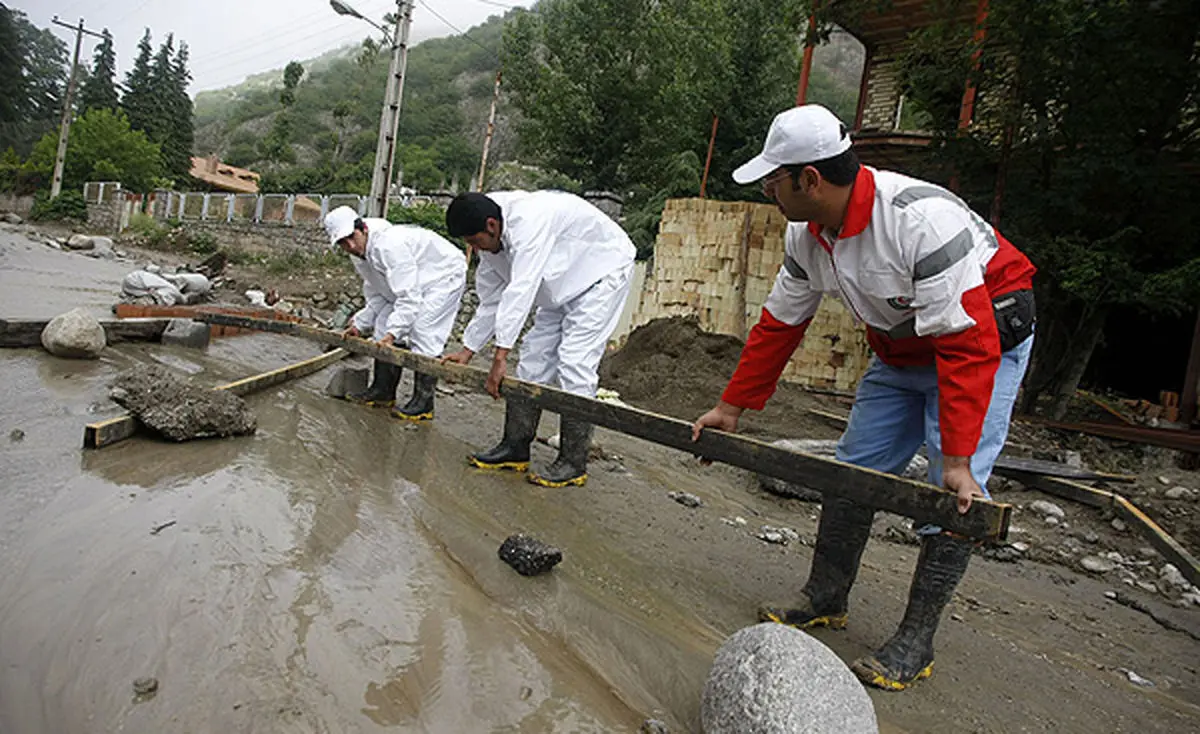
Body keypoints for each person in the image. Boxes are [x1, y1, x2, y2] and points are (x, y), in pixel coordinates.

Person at [692, 105, 1037, 691]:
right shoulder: (807, 234)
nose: (769, 192)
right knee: (853, 471)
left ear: (809, 179)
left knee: (952, 493)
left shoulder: (918, 221)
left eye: (773, 181)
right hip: (904, 347)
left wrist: (956, 459)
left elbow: (964, 343)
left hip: (984, 338)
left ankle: (916, 642)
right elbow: (780, 324)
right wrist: (731, 408)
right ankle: (826, 596)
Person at [442, 191, 636, 487]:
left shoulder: (529, 221)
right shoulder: (488, 236)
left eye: (475, 241)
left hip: (601, 274)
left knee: (574, 361)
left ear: (492, 225)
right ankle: (515, 447)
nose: (475, 249)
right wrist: (468, 350)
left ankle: (573, 462)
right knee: (532, 361)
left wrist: (500, 357)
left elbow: (521, 288)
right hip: (560, 283)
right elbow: (492, 300)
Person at [323, 205, 467, 420]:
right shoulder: (359, 254)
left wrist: (393, 334)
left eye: (352, 237)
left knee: (424, 331)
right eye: (343, 242)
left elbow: (408, 297)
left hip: (443, 275)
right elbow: (379, 293)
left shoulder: (389, 246)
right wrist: (360, 325)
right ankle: (383, 392)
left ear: (363, 228)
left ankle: (424, 404)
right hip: (413, 280)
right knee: (383, 325)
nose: (350, 245)